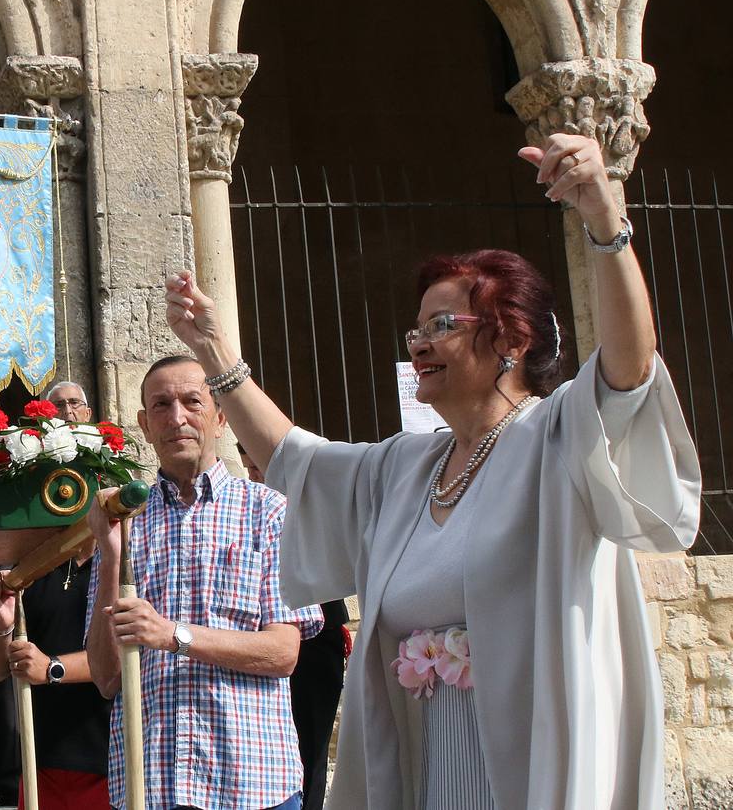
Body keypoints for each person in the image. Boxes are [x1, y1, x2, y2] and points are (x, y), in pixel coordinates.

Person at [163, 133, 701, 808]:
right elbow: (291, 457)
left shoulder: (558, 436)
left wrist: (604, 224)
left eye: (441, 323)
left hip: (534, 762)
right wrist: (213, 348)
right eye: (415, 329)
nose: (418, 343)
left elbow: (630, 370)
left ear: (510, 338)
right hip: (430, 764)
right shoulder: (408, 467)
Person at [85, 356, 324, 810]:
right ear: (144, 423)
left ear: (219, 416)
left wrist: (173, 635)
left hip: (253, 783)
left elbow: (282, 653)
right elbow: (106, 677)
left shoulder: (269, 512)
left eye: (191, 401)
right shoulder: (125, 525)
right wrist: (112, 555)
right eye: (161, 405)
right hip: (151, 784)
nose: (177, 417)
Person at [237, 443, 347, 810]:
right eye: (249, 468)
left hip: (316, 641)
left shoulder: (312, 505)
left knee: (310, 742)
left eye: (261, 466)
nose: (256, 475)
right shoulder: (247, 510)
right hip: (262, 639)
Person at [0, 542, 112, 810]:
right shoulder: (34, 564)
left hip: (112, 766)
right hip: (41, 764)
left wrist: (51, 667)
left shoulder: (126, 556)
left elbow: (127, 656)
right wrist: (3, 627)